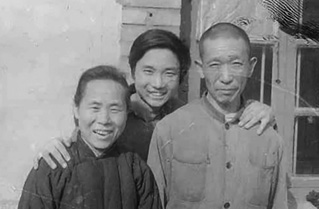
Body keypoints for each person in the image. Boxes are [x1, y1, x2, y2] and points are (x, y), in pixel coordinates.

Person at [33, 29, 275, 169]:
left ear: (181, 76)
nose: (158, 84)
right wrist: (54, 147)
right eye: (148, 71)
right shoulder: (110, 119)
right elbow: (76, 146)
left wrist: (257, 109)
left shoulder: (186, 119)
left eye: (169, 73)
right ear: (133, 70)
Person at [147, 23, 289, 209]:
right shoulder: (170, 130)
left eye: (236, 64)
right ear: (201, 68)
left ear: (251, 67)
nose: (226, 77)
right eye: (214, 64)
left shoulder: (269, 138)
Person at [12, 65, 170, 209]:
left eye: (115, 109)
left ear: (126, 113)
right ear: (76, 110)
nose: (104, 119)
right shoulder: (53, 167)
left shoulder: (136, 169)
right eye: (94, 107)